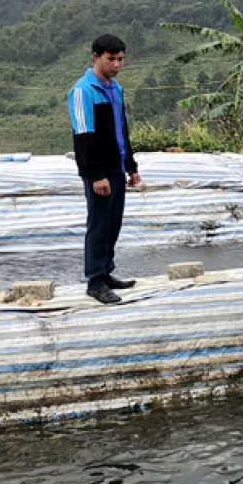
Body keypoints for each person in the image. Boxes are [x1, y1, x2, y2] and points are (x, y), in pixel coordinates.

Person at [69, 34, 142, 304]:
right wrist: (96, 174)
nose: (117, 64)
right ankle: (95, 281)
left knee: (114, 223)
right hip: (99, 171)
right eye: (111, 59)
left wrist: (131, 166)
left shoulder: (116, 89)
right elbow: (84, 136)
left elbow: (122, 130)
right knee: (98, 225)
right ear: (96, 57)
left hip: (116, 167)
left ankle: (107, 271)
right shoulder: (83, 90)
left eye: (120, 59)